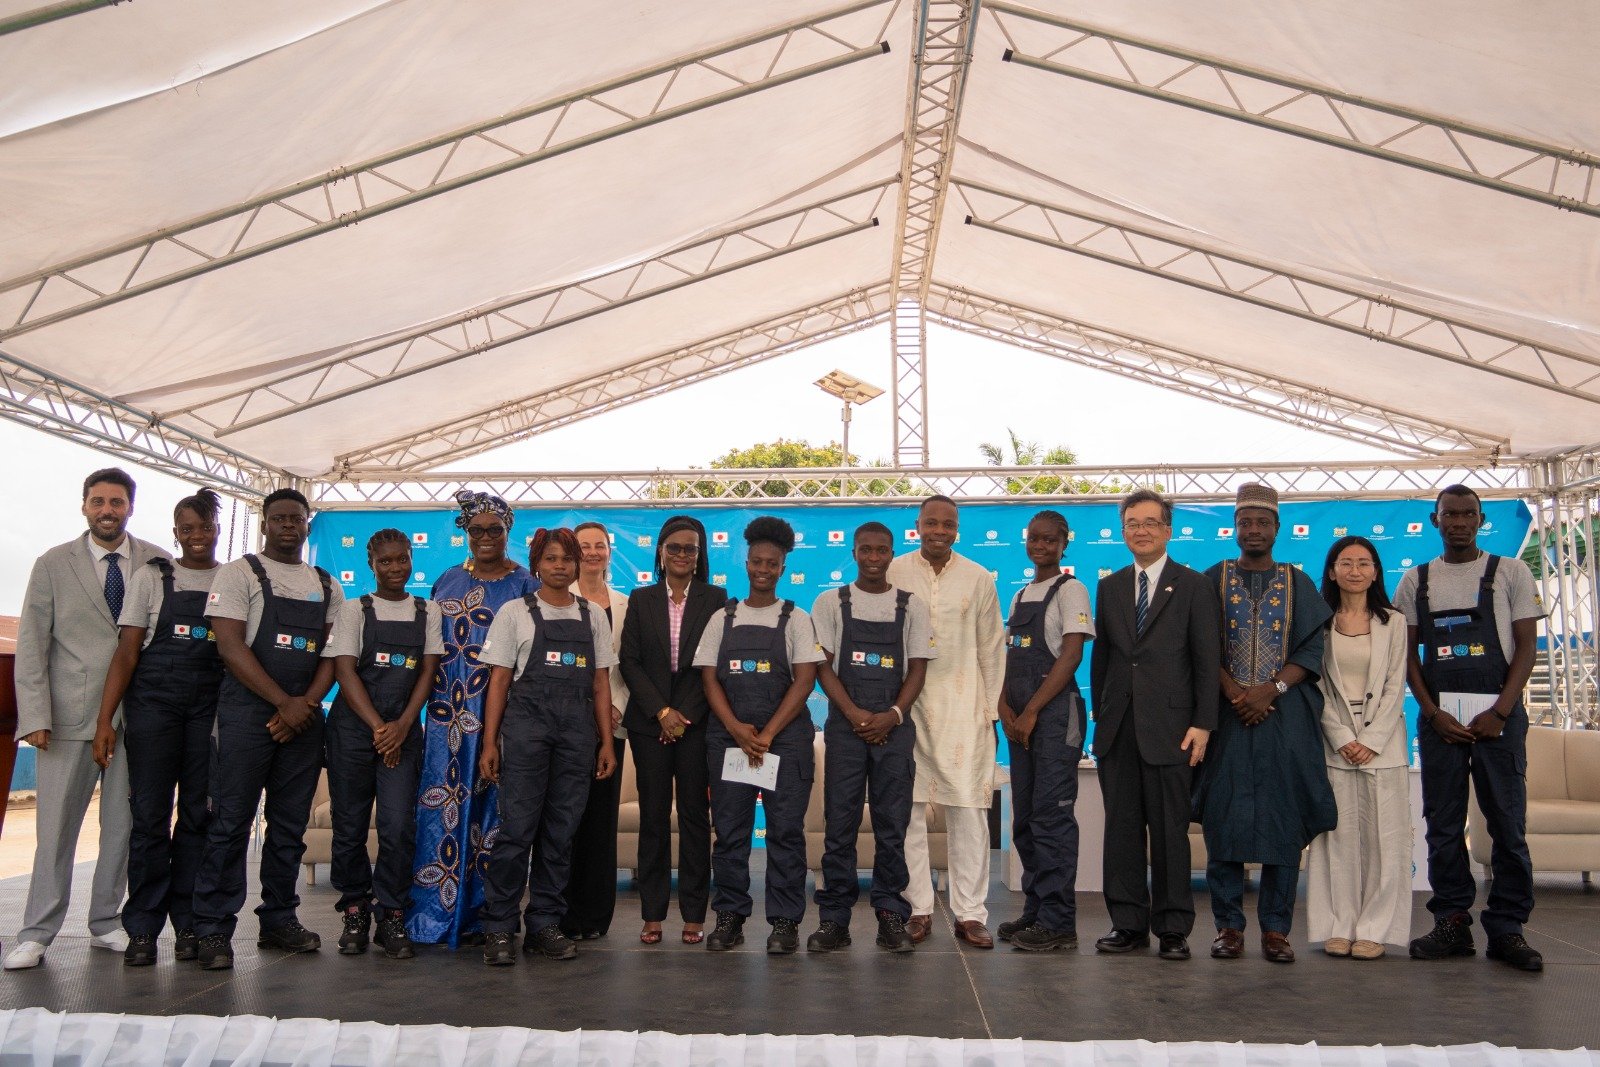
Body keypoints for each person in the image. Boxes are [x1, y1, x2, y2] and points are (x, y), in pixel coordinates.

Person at [5, 468, 167, 971]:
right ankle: (36, 933)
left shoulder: (159, 562)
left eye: (116, 502)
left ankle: (105, 922)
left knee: (122, 828)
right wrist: (35, 715)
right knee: (55, 831)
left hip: (138, 718)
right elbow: (32, 645)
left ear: (130, 507)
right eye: (98, 501)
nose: (107, 510)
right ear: (84, 506)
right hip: (66, 720)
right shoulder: (53, 564)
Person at [1394, 484, 1544, 972]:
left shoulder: (1512, 572)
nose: (1459, 522)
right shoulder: (1416, 581)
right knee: (1442, 824)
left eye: (1468, 514)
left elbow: (1526, 648)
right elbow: (1406, 656)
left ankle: (1507, 928)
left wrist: (1500, 712)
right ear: (1435, 521)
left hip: (1499, 717)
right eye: (1450, 515)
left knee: (1507, 823)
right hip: (1442, 721)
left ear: (1480, 520)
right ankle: (1452, 922)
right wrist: (1432, 712)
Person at [191, 487, 341, 970]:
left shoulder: (326, 584)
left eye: (296, 518)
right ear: (265, 523)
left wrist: (306, 704)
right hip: (246, 714)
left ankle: (279, 919)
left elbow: (333, 654)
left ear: (307, 524)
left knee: (289, 827)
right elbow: (230, 646)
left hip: (304, 717)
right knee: (230, 823)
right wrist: (283, 703)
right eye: (279, 518)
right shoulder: (239, 574)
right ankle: (213, 928)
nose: (288, 526)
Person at [1194, 483, 1335, 964]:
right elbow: (1201, 645)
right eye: (1245, 522)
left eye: (1263, 522)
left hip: (1284, 718)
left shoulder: (1298, 582)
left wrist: (1269, 690)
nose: (1253, 530)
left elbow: (1312, 649)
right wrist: (1236, 693)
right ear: (1234, 528)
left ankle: (1277, 930)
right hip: (1227, 717)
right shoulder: (1213, 578)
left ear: (1277, 528)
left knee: (1283, 820)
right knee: (1224, 819)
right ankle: (1228, 927)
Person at [89, 486, 223, 967]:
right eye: (187, 529)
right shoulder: (151, 577)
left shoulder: (232, 579)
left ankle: (188, 924)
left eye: (204, 527)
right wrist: (105, 720)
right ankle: (143, 928)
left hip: (207, 710)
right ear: (175, 533)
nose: (196, 535)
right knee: (148, 818)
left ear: (217, 530)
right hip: (153, 708)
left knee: (197, 817)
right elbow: (127, 652)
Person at [1090, 487, 1220, 962]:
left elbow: (1207, 660)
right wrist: (1101, 718)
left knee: (1169, 833)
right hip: (1118, 730)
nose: (1140, 531)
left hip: (1173, 730)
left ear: (1168, 530)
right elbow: (1103, 659)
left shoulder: (1194, 585)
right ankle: (1127, 924)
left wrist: (1203, 723)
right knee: (1121, 832)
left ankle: (1172, 928)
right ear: (1122, 532)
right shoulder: (1110, 587)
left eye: (1150, 523)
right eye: (1132, 524)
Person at [477, 527, 618, 965]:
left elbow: (600, 684)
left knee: (561, 833)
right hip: (526, 733)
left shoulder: (593, 616)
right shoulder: (514, 613)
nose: (560, 566)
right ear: (537, 563)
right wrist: (490, 742)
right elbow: (499, 681)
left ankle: (544, 924)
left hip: (578, 736)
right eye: (551, 558)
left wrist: (606, 743)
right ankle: (499, 927)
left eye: (567, 559)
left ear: (577, 565)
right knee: (517, 831)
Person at [409, 490, 538, 947]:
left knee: (494, 819)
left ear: (508, 532)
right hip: (446, 714)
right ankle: (436, 912)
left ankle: (487, 917)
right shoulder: (445, 580)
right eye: (476, 529)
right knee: (441, 809)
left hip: (499, 714)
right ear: (465, 532)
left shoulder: (526, 585)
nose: (485, 537)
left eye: (494, 529)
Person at [806, 521, 935, 954]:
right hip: (846, 728)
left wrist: (892, 715)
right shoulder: (829, 602)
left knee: (892, 826)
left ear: (892, 553)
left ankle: (890, 916)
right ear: (855, 553)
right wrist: (856, 714)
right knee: (839, 825)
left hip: (894, 729)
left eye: (882, 551)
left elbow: (918, 668)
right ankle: (834, 920)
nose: (874, 558)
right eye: (866, 550)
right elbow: (823, 667)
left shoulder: (911, 605)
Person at [696, 516, 822, 954]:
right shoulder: (722, 618)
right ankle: (730, 916)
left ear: (783, 568)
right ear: (746, 563)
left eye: (772, 563)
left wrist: (766, 734)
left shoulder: (797, 619)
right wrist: (736, 729)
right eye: (756, 561)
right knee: (730, 832)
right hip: (730, 739)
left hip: (783, 741)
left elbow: (805, 681)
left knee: (785, 833)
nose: (763, 569)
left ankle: (785, 922)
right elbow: (709, 678)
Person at [886, 496, 1005, 949]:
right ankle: (917, 907)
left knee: (969, 813)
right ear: (917, 525)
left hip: (965, 707)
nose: (939, 530)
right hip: (907, 706)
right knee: (908, 813)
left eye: (948, 524)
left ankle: (970, 913)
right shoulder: (894, 571)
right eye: (931, 522)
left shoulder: (978, 577)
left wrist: (991, 713)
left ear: (957, 528)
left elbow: (991, 648)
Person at [322, 529, 443, 960]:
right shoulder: (354, 610)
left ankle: (392, 912)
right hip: (354, 732)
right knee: (349, 826)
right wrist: (379, 728)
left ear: (412, 558)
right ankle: (355, 910)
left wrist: (403, 726)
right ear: (371, 564)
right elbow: (344, 671)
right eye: (386, 561)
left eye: (402, 559)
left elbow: (428, 672)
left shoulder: (428, 611)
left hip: (403, 732)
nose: (395, 568)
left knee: (398, 826)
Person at [618, 515, 725, 946]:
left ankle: (694, 914)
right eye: (674, 547)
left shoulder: (716, 599)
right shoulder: (640, 599)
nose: (682, 554)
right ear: (660, 552)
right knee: (654, 818)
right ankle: (652, 913)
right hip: (650, 725)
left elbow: (712, 662)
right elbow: (630, 661)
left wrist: (682, 716)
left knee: (696, 818)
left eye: (690, 548)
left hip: (696, 724)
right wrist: (662, 712)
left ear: (700, 555)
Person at [1306, 536, 1413, 960]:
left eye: (1364, 563)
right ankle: (1338, 926)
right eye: (1346, 563)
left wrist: (1369, 740)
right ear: (1332, 571)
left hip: (1383, 745)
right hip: (1334, 742)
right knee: (1336, 839)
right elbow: (1315, 686)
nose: (1355, 570)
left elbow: (1395, 685)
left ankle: (1375, 929)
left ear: (1375, 571)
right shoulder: (1318, 622)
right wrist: (1342, 737)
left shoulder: (1395, 622)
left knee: (1386, 841)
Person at [997, 510, 1095, 952]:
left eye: (1050, 540)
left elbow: (1071, 656)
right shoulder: (1020, 595)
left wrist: (1032, 710)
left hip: (1055, 717)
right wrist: (1003, 707)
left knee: (1052, 818)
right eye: (1034, 538)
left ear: (1064, 544)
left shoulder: (1071, 590)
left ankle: (1059, 922)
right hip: (1020, 719)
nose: (1040, 546)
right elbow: (1007, 659)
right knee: (1026, 819)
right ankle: (1036, 911)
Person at [560, 520, 630, 941]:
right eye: (583, 546)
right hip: (564, 725)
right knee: (565, 820)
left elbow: (630, 665)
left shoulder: (626, 604)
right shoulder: (553, 599)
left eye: (598, 545)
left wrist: (615, 707)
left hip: (611, 728)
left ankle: (595, 916)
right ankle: (560, 913)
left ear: (609, 551)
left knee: (600, 822)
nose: (591, 552)